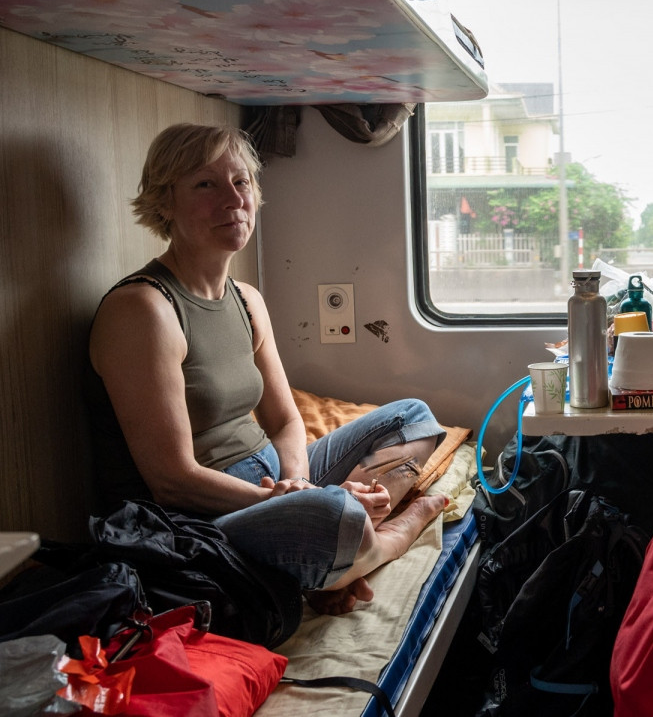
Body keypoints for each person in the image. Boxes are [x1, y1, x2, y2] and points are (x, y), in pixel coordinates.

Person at [86, 123, 448, 615]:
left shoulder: (246, 300)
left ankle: (344, 545)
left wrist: (299, 483)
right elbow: (173, 479)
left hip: (277, 478)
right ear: (164, 202)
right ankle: (386, 540)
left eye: (241, 183)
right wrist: (296, 503)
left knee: (415, 417)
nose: (233, 200)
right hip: (205, 513)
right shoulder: (144, 309)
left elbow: (284, 421)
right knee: (332, 516)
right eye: (205, 185)